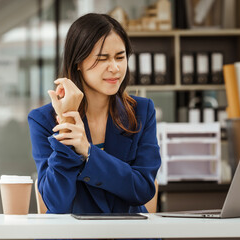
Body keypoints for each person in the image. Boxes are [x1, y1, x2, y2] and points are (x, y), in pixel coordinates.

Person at [28, 13, 161, 218]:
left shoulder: (142, 111)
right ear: (78, 62)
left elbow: (143, 189)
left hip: (129, 235)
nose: (115, 68)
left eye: (120, 56)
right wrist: (65, 125)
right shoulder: (43, 119)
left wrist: (89, 152)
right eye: (102, 58)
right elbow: (56, 203)